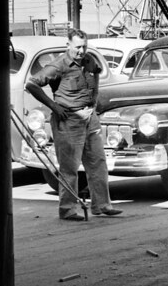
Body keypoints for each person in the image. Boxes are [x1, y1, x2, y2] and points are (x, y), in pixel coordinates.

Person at [26, 28, 122, 221]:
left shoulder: (89, 61)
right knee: (69, 168)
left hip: (90, 118)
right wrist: (53, 106)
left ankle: (102, 205)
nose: (81, 51)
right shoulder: (58, 65)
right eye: (78, 47)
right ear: (68, 45)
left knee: (98, 163)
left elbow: (95, 74)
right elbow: (32, 84)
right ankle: (68, 209)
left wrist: (93, 102)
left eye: (84, 47)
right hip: (68, 120)